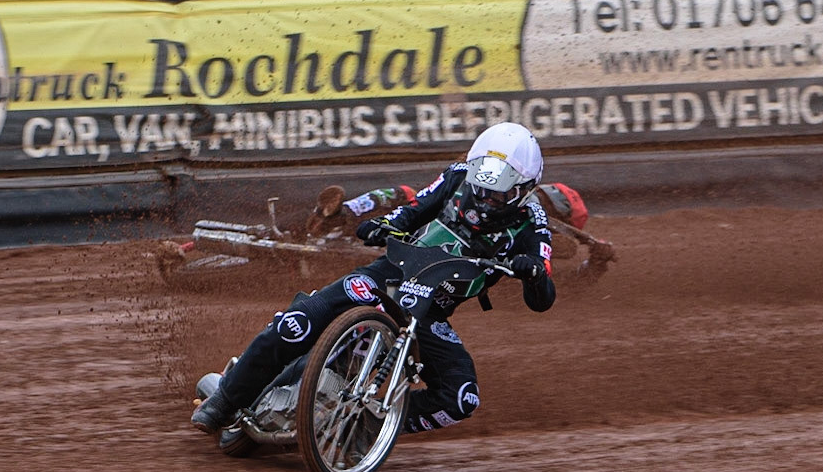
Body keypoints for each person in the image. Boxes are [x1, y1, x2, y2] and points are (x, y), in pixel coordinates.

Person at [191, 122, 556, 435]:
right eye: (482, 187)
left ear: (525, 189)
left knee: (461, 396)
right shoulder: (458, 177)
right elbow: (415, 209)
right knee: (297, 323)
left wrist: (534, 274)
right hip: (390, 274)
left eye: (499, 194)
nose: (486, 200)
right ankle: (225, 400)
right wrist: (384, 225)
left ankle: (365, 428)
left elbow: (543, 299)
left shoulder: (534, 223)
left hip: (431, 311)